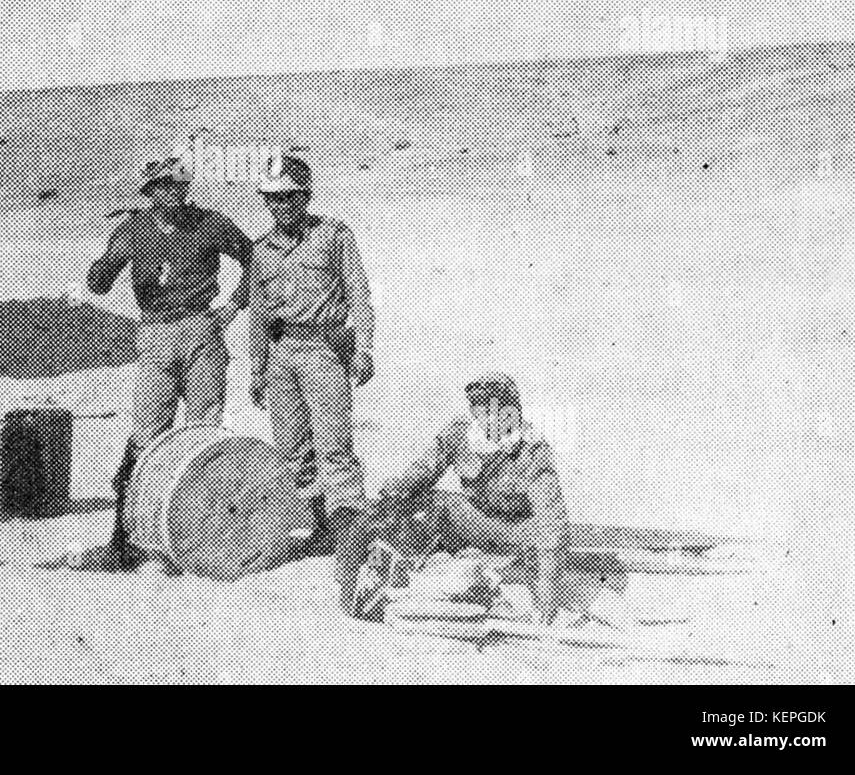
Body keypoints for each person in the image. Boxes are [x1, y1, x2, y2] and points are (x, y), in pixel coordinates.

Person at [68, 155, 254, 571]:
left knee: (205, 436)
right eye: (160, 188)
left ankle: (198, 536)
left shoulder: (211, 223)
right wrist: (103, 265)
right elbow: (99, 281)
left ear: (186, 189)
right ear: (148, 193)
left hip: (201, 330)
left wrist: (233, 306)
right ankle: (124, 537)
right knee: (145, 437)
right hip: (154, 334)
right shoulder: (134, 228)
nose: (169, 194)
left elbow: (253, 259)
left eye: (176, 186)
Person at [346, 372, 569, 621]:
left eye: (491, 411)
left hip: (513, 534)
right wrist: (393, 493)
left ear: (511, 413)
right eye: (478, 411)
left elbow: (552, 522)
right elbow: (422, 470)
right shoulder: (459, 433)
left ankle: (502, 595)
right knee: (419, 501)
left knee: (543, 533)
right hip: (474, 522)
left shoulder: (533, 449)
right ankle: (379, 576)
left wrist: (547, 608)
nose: (483, 420)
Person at [248, 154, 375, 557]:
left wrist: (366, 347)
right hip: (282, 354)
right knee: (290, 452)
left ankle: (351, 538)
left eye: (287, 197)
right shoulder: (260, 250)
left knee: (334, 448)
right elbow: (259, 312)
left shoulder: (334, 235)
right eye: (271, 198)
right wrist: (258, 368)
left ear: (305, 196)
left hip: (324, 350)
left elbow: (360, 294)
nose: (279, 205)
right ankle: (320, 528)